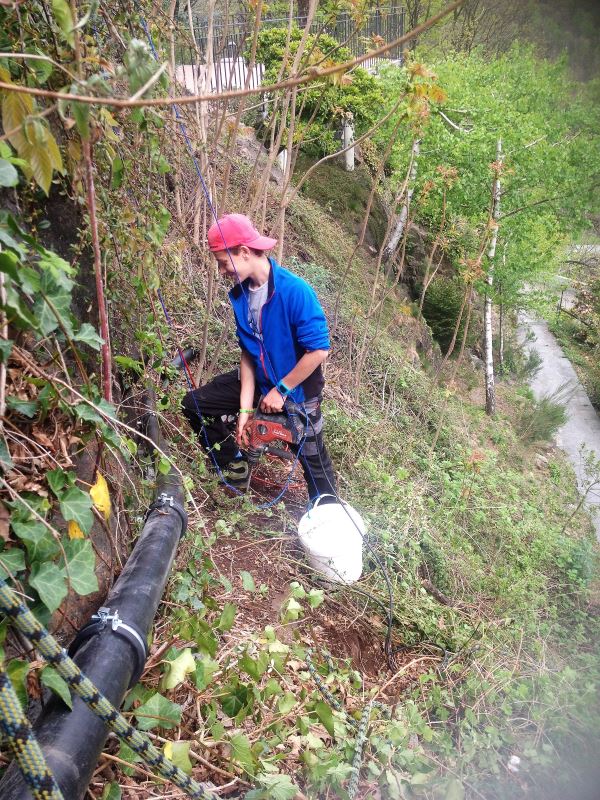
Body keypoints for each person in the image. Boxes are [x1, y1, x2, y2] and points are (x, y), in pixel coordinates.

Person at [182, 213, 337, 500]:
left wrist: (282, 390)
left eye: (223, 262)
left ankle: (327, 515)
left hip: (297, 391)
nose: (222, 270)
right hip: (261, 384)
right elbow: (248, 353)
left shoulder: (294, 291)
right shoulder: (240, 295)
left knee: (315, 464)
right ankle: (234, 465)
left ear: (243, 252)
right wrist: (243, 412)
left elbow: (318, 350)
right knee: (195, 405)